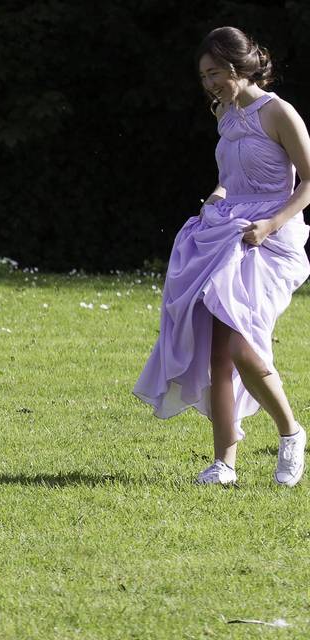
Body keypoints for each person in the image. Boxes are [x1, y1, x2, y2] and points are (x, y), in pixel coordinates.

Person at [134, 27, 310, 486]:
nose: (208, 83)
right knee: (217, 351)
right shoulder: (225, 115)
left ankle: (291, 433)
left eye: (213, 73)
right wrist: (215, 195)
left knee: (240, 344)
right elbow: (231, 178)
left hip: (271, 239)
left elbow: (308, 181)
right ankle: (224, 464)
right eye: (203, 76)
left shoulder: (279, 112)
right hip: (225, 231)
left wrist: (270, 224)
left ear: (236, 67)